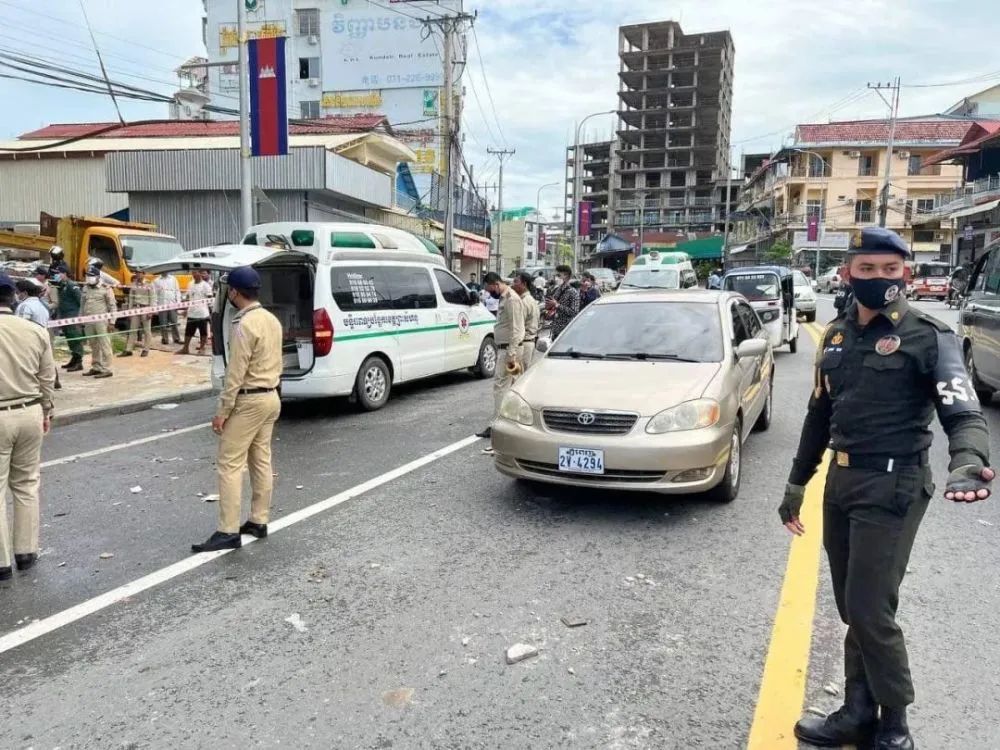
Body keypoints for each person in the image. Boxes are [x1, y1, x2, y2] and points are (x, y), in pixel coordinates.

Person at [779, 227, 993, 750]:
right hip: (842, 481)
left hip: (894, 484)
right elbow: (819, 416)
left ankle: (894, 724)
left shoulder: (928, 335)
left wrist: (968, 460)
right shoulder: (836, 335)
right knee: (852, 606)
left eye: (890, 270)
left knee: (872, 611)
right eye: (868, 269)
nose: (879, 278)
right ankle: (857, 711)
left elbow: (962, 410)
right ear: (848, 273)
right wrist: (796, 483)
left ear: (906, 273)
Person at [192, 266, 283, 553]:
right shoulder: (271, 319)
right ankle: (258, 520)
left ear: (233, 292)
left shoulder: (244, 324)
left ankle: (228, 530)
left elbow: (236, 372)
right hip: (271, 396)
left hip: (249, 400)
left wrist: (223, 410)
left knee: (229, 464)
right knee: (261, 460)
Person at [0, 273, 56, 580]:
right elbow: (47, 377)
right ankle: (26, 553)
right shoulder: (35, 331)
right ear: (13, 297)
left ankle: (1, 563)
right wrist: (47, 410)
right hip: (30, 411)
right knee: (26, 484)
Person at [475, 272, 524, 441]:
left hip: (509, 350)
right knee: (512, 386)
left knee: (500, 386)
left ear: (496, 284)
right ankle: (513, 422)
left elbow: (517, 328)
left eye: (490, 289)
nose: (490, 293)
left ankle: (496, 425)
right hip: (507, 349)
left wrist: (511, 353)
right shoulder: (505, 298)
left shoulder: (511, 299)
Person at [80, 267, 116, 379]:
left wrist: (112, 322)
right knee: (93, 344)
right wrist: (80, 318)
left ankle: (106, 369)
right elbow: (82, 304)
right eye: (88, 276)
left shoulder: (106, 288)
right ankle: (96, 367)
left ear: (97, 277)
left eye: (91, 276)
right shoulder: (85, 288)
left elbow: (112, 306)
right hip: (88, 321)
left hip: (101, 321)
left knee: (104, 344)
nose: (89, 278)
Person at [50, 264, 84, 373]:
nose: (56, 275)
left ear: (64, 273)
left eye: (58, 273)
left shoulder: (72, 285)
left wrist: (80, 316)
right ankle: (74, 359)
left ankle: (79, 361)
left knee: (75, 338)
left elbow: (80, 301)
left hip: (72, 316)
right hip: (64, 316)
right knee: (70, 338)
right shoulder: (61, 285)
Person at [179, 270, 213, 355]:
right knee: (188, 332)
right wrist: (185, 309)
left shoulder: (205, 285)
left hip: (202, 313)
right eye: (193, 273)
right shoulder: (190, 284)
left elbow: (210, 298)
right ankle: (185, 348)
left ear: (200, 273)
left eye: (195, 272)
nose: (193, 274)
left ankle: (202, 349)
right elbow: (188, 297)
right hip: (191, 313)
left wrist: (210, 312)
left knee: (203, 332)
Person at [120, 273, 154, 358]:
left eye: (140, 273)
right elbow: (131, 298)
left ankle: (146, 349)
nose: (138, 275)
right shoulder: (133, 284)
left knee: (147, 330)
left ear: (143, 274)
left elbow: (152, 297)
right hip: (135, 308)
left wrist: (151, 310)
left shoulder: (149, 284)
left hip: (145, 308)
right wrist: (130, 311)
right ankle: (128, 350)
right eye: (137, 273)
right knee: (133, 330)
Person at [545, 264, 579, 340]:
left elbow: (574, 312)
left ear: (566, 275)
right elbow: (552, 305)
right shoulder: (558, 289)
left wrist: (557, 305)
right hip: (555, 329)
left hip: (566, 330)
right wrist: (549, 306)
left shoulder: (573, 292)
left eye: (558, 275)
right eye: (555, 276)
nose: (555, 278)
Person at [514, 271, 540, 371]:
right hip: (529, 342)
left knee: (518, 376)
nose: (513, 285)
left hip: (523, 343)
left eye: (516, 282)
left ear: (524, 284)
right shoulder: (530, 299)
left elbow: (518, 325)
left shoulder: (524, 301)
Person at [153, 271, 182, 345]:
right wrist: (155, 306)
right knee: (163, 323)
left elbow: (177, 291)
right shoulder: (156, 281)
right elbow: (154, 294)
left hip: (172, 304)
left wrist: (178, 302)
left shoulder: (173, 279)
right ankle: (165, 339)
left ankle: (176, 338)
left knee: (174, 322)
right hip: (162, 305)